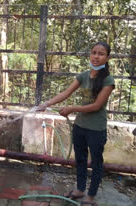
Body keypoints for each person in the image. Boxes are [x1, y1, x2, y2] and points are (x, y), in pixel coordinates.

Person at [38, 42, 115, 206]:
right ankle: (80, 190)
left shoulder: (108, 80)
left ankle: (91, 195)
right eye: (93, 52)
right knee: (79, 159)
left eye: (101, 54)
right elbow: (66, 93)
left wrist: (73, 108)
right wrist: (46, 104)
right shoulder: (84, 75)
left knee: (96, 163)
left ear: (107, 58)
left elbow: (96, 106)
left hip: (96, 129)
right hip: (80, 126)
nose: (96, 56)